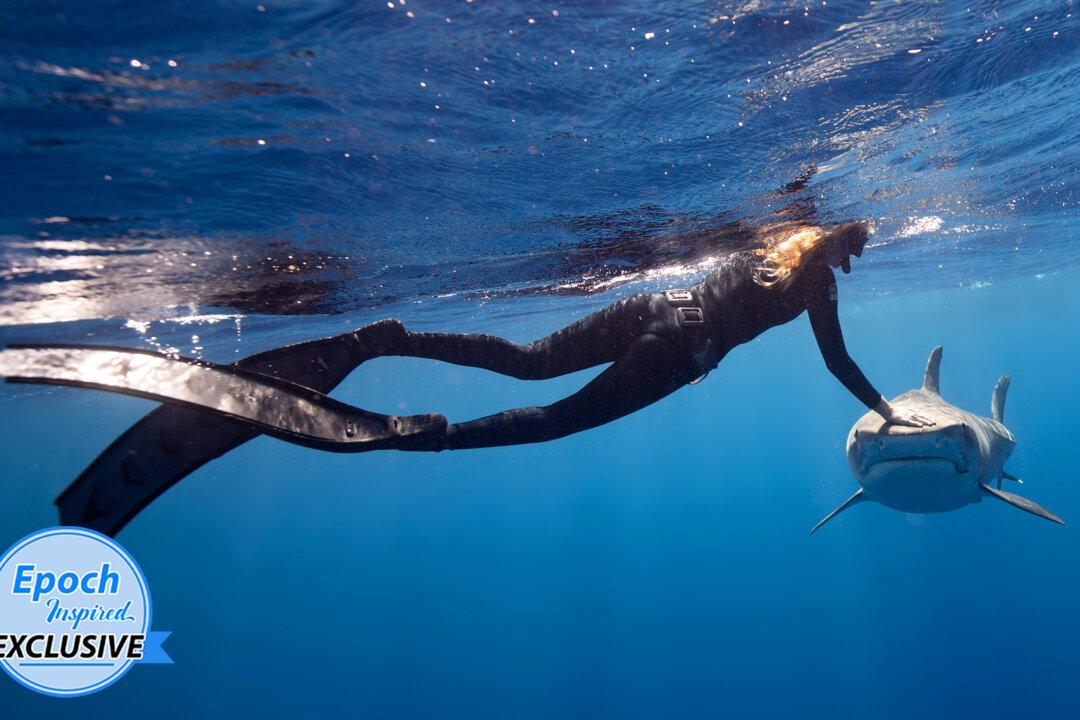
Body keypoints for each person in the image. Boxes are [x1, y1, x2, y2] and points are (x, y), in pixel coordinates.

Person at [348, 219, 934, 451]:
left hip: (653, 306)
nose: (850, 263)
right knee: (558, 419)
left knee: (529, 360)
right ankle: (427, 436)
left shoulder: (771, 237)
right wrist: (886, 410)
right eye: (852, 248)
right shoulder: (817, 284)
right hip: (679, 352)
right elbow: (836, 360)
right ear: (834, 238)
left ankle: (397, 339)